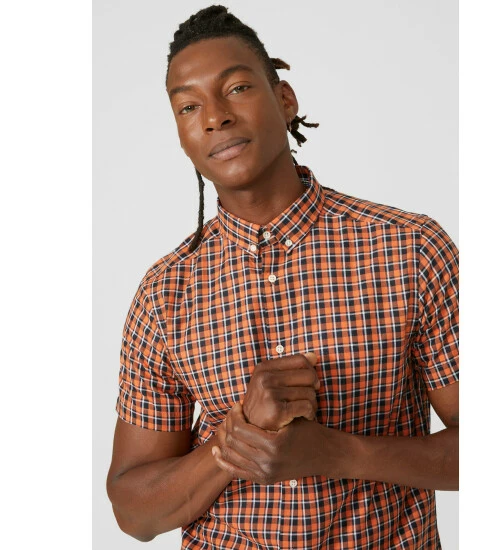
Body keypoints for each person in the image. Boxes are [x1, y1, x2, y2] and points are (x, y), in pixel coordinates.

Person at [106, 5, 459, 549]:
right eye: (188, 106)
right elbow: (134, 511)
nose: (215, 117)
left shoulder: (410, 248)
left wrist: (338, 452)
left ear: (285, 100)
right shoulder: (164, 293)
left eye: (237, 88)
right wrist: (237, 436)